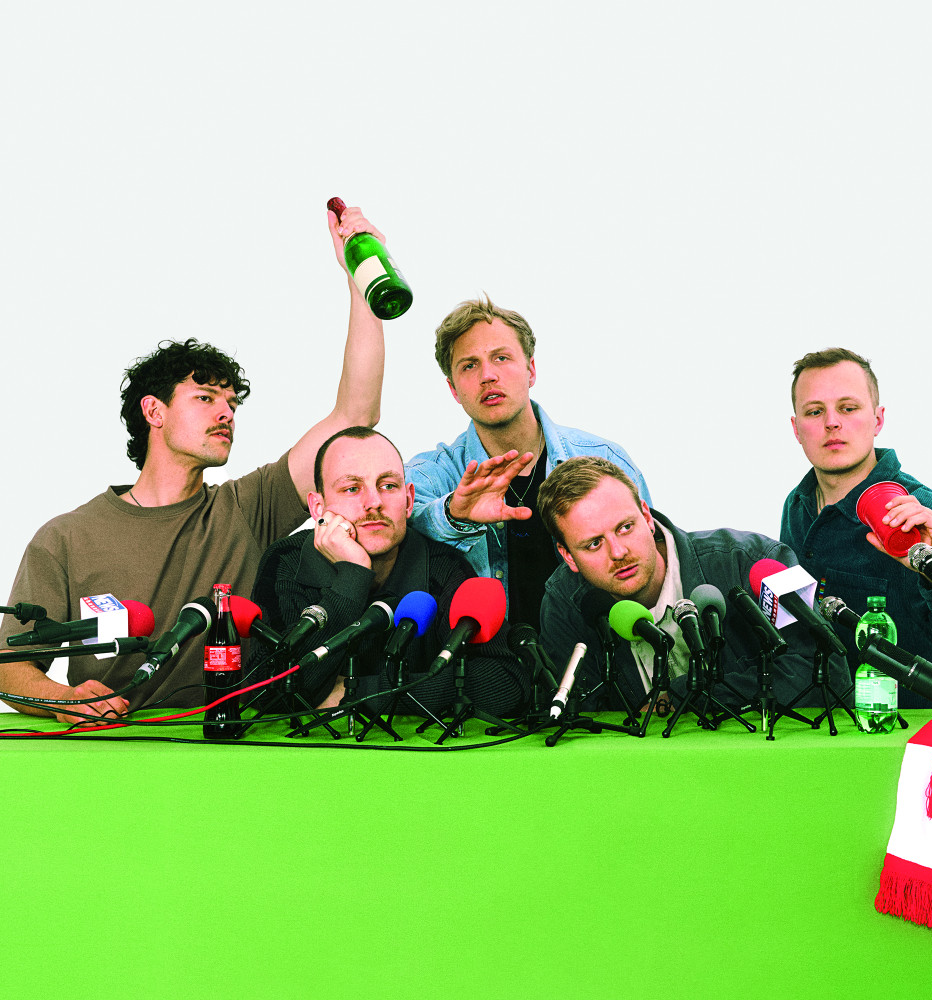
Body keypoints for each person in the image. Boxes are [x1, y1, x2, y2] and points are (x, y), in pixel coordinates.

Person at [0, 204, 388, 723]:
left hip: (230, 743)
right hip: (113, 752)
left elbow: (354, 415)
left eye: (231, 403)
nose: (226, 412)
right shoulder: (65, 538)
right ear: (154, 411)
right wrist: (63, 697)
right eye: (205, 398)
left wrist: (359, 282)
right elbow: (10, 666)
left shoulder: (246, 507)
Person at [404, 295, 650, 631]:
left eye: (501, 358)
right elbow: (395, 514)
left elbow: (651, 558)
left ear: (531, 370)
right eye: (469, 365)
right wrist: (453, 514)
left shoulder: (603, 459)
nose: (488, 375)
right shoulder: (437, 471)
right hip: (492, 673)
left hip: (599, 663)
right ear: (453, 389)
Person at [250, 426, 527, 718]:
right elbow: (268, 690)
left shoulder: (445, 566)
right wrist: (352, 577)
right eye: (352, 488)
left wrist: (361, 695)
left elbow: (506, 682)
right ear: (318, 508)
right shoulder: (285, 562)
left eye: (388, 486)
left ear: (408, 501)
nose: (374, 502)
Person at [537, 457, 847, 714]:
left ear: (646, 515)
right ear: (568, 557)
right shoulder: (564, 601)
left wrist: (683, 696)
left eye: (625, 527)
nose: (618, 552)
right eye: (593, 544)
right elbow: (573, 711)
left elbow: (827, 670)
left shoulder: (753, 560)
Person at [781, 347, 932, 707]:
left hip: (899, 736)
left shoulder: (922, 511)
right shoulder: (797, 504)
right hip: (813, 730)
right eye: (815, 411)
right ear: (796, 429)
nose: (832, 422)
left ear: (878, 419)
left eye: (848, 408)